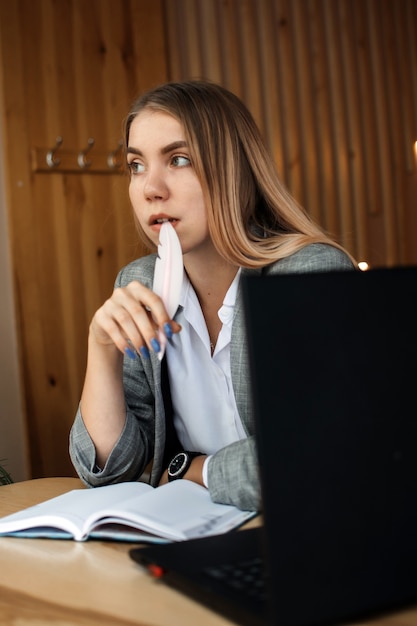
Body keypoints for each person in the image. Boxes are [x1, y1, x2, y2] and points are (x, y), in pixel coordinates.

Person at [69, 79, 357, 512]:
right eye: (136, 165)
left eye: (178, 159)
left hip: (312, 534)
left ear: (234, 169)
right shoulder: (140, 284)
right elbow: (109, 469)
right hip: (198, 534)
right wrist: (102, 349)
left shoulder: (308, 274)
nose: (151, 188)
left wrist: (187, 468)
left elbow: (315, 458)